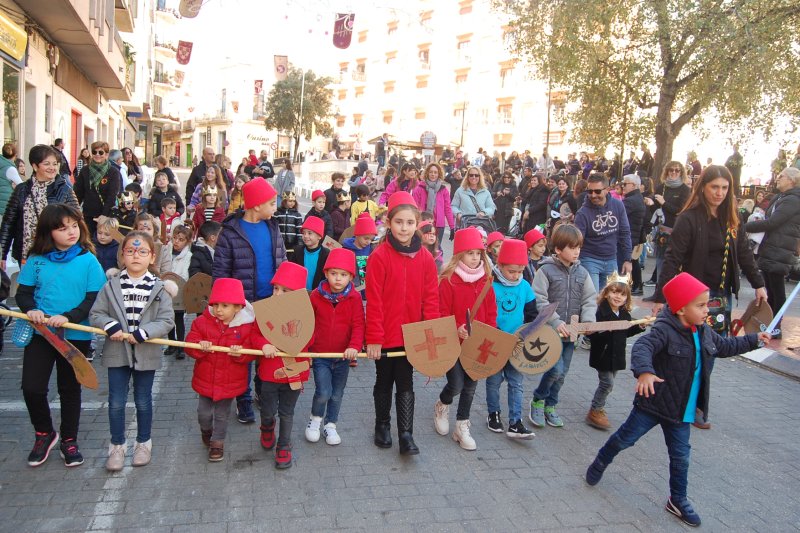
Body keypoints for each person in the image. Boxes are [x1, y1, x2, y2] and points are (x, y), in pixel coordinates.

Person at [585, 273, 770, 527]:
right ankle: (602, 459)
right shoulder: (664, 329)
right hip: (652, 405)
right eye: (701, 305)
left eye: (707, 304)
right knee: (624, 439)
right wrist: (645, 372)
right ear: (682, 308)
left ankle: (677, 500)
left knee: (681, 457)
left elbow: (725, 347)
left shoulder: (704, 331)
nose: (707, 310)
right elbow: (643, 347)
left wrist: (753, 340)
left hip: (681, 412)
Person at [653, 165, 766, 427]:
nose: (719, 192)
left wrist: (759, 284)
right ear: (703, 187)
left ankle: (697, 404)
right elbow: (673, 258)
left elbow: (745, 253)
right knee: (690, 350)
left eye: (724, 188)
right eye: (714, 187)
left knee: (709, 350)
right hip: (695, 297)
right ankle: (680, 399)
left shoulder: (731, 217)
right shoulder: (689, 218)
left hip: (720, 297)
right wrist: (660, 297)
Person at [17, 203, 106, 467]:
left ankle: (69, 438)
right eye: (62, 228)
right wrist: (31, 309)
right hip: (41, 332)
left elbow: (94, 298)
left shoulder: (88, 259)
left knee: (69, 388)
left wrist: (69, 316)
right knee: (32, 387)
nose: (71, 232)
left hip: (74, 334)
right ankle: (44, 433)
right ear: (48, 232)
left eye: (74, 226)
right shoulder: (36, 259)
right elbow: (23, 293)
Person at [90, 230, 175, 471]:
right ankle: (117, 445)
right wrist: (110, 326)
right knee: (116, 402)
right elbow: (96, 313)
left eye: (142, 252)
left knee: (143, 400)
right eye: (130, 251)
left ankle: (143, 443)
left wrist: (146, 332)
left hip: (146, 352)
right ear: (122, 255)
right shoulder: (111, 286)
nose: (135, 256)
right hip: (117, 352)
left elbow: (167, 320)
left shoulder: (159, 288)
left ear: (152, 257)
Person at [367, 191, 439, 455]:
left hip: (412, 337)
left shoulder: (426, 260)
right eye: (399, 222)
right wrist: (373, 338)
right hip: (385, 336)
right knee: (384, 381)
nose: (404, 228)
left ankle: (406, 434)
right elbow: (373, 302)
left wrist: (429, 339)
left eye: (410, 223)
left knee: (406, 382)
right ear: (388, 222)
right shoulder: (379, 257)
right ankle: (382, 425)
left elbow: (431, 301)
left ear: (417, 223)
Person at [213, 178, 287, 423]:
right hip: (241, 305)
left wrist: (284, 291)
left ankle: (261, 392)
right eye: (271, 203)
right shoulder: (231, 232)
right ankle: (242, 400)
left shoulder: (273, 226)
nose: (275, 207)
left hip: (271, 301)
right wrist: (223, 304)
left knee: (266, 350)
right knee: (242, 353)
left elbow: (282, 260)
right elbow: (221, 271)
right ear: (256, 205)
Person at [185, 278, 271, 462]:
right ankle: (206, 431)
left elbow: (252, 353)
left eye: (225, 306)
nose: (219, 310)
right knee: (204, 413)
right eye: (215, 305)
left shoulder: (246, 327)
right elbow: (189, 344)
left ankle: (217, 442)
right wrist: (199, 346)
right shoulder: (202, 322)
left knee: (222, 414)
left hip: (229, 382)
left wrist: (240, 353)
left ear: (238, 308)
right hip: (206, 379)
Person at [434, 228, 497, 450]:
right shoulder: (448, 281)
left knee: (471, 386)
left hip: (477, 345)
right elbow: (440, 313)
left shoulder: (486, 281)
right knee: (457, 384)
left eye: (478, 253)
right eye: (470, 253)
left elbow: (491, 313)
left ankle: (462, 426)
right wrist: (455, 328)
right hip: (453, 343)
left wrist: (488, 335)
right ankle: (443, 403)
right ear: (459, 254)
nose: (475, 258)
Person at [530, 224, 597, 428]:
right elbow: (540, 299)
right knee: (555, 370)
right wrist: (556, 321)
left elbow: (590, 299)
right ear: (558, 250)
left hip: (572, 333)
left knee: (563, 373)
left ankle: (551, 405)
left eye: (579, 247)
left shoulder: (582, 273)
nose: (577, 251)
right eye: (572, 247)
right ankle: (538, 400)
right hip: (551, 332)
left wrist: (588, 322)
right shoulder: (546, 270)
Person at [304, 248, 365, 445]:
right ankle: (315, 420)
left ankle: (331, 425)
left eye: (344, 275)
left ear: (351, 277)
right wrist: (307, 348)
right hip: (321, 354)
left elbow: (358, 324)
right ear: (326, 273)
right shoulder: (315, 296)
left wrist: (354, 346)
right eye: (333, 273)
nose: (338, 279)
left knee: (337, 393)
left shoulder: (354, 298)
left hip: (343, 357)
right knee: (323, 392)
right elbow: (308, 323)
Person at [257, 261, 311, 469]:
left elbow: (310, 337)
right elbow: (255, 334)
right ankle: (267, 426)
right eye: (276, 288)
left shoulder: (306, 314)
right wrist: (264, 344)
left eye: (285, 290)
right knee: (268, 409)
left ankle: (284, 445)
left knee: (287, 412)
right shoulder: (265, 309)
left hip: (293, 373)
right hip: (270, 373)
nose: (278, 294)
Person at [485, 239, 536, 439]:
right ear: (500, 266)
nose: (516, 276)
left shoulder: (524, 286)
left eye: (520, 271)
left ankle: (515, 421)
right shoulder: (490, 285)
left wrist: (526, 333)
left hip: (517, 344)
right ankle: (493, 414)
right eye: (511, 271)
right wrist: (495, 332)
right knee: (494, 381)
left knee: (516, 382)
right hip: (496, 342)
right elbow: (485, 313)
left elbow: (532, 313)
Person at [0, 145, 79, 269]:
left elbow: (78, 221)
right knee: (28, 287)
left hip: (57, 253)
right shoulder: (21, 190)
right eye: (47, 164)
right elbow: (8, 222)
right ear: (35, 166)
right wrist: (2, 253)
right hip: (26, 253)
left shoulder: (65, 190)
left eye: (55, 164)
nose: (52, 168)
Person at [744, 167, 800, 337]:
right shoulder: (779, 197)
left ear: (791, 180)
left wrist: (744, 227)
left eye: (781, 176)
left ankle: (776, 325)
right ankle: (771, 322)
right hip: (771, 246)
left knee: (776, 287)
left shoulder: (793, 200)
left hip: (780, 248)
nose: (778, 178)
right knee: (769, 286)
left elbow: (773, 222)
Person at [585, 275, 645, 430]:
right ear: (606, 293)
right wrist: (605, 330)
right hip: (603, 355)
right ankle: (595, 409)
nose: (618, 296)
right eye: (615, 292)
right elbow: (592, 335)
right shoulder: (599, 312)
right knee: (607, 383)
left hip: (617, 356)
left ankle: (599, 406)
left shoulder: (624, 314)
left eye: (622, 294)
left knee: (608, 385)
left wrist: (639, 326)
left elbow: (626, 332)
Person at [574, 174, 632, 292]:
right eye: (589, 191)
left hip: (611, 259)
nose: (593, 195)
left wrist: (627, 259)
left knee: (609, 299)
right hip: (589, 259)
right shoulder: (582, 213)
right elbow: (577, 240)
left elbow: (625, 233)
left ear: (607, 190)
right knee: (593, 298)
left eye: (597, 191)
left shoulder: (618, 205)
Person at [642, 161, 691, 297]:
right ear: (666, 171)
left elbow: (681, 210)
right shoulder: (661, 187)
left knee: (674, 264)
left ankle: (672, 295)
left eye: (677, 170)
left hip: (677, 232)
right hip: (662, 231)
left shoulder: (685, 190)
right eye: (671, 170)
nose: (674, 173)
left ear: (681, 172)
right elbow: (656, 209)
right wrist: (651, 203)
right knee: (660, 262)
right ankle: (659, 293)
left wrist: (664, 203)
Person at [166, 225, 193, 360]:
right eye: (175, 238)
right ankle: (171, 343)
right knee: (168, 318)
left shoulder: (188, 256)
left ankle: (181, 346)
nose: (176, 241)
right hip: (166, 289)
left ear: (187, 242)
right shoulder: (167, 252)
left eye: (181, 239)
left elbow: (185, 274)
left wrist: (177, 282)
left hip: (179, 289)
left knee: (178, 318)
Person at [413, 162, 456, 246]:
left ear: (439, 174)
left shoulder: (443, 190)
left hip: (439, 225)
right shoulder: (419, 188)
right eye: (431, 172)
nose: (433, 174)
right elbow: (414, 208)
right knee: (423, 248)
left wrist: (452, 226)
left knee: (437, 249)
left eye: (435, 172)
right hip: (423, 223)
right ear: (427, 173)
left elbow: (447, 209)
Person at [620, 175, 646, 295]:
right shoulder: (636, 198)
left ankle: (635, 285)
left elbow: (617, 213)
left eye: (625, 184)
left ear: (634, 185)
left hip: (629, 236)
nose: (623, 186)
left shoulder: (631, 200)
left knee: (629, 262)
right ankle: (636, 285)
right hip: (633, 235)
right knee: (632, 261)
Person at [290, 216, 330, 290]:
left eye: (309, 233)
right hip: (300, 293)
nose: (305, 236)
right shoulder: (298, 251)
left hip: (318, 294)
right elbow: (292, 273)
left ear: (319, 236)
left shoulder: (326, 254)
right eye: (303, 233)